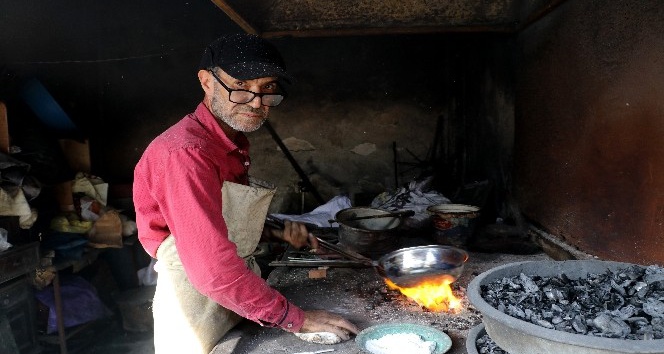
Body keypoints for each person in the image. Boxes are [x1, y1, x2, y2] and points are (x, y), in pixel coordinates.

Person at [132, 33, 358, 354]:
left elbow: (218, 219)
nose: (255, 102)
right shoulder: (187, 154)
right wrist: (297, 319)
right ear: (207, 82)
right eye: (240, 85)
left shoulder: (230, 141)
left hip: (233, 284)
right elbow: (210, 266)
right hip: (197, 295)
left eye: (267, 89)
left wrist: (274, 233)